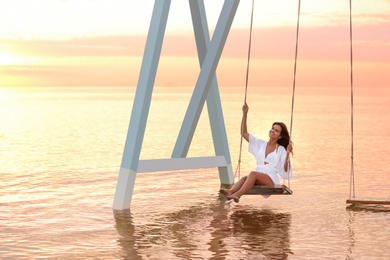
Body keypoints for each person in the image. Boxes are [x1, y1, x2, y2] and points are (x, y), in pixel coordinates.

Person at [219, 102, 293, 203]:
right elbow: (243, 133)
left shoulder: (280, 149)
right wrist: (245, 114)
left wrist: (288, 153)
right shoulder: (260, 144)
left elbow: (285, 169)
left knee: (252, 174)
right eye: (272, 128)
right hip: (258, 177)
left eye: (276, 130)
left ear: (280, 136)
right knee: (245, 178)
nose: (273, 131)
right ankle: (230, 192)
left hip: (270, 179)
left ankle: (237, 195)